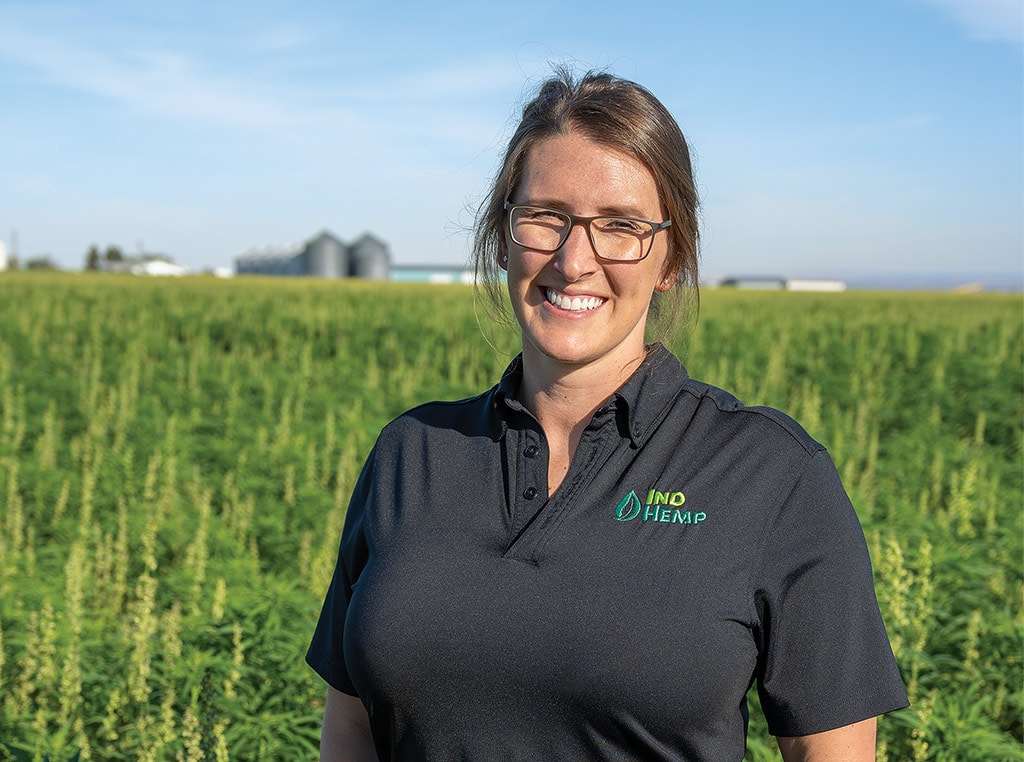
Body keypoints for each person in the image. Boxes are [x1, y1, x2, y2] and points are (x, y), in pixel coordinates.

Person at [307, 68, 909, 761]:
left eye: (620, 226)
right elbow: (350, 730)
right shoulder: (411, 453)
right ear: (504, 236)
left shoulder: (771, 476)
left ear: (671, 258)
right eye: (545, 217)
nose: (573, 259)